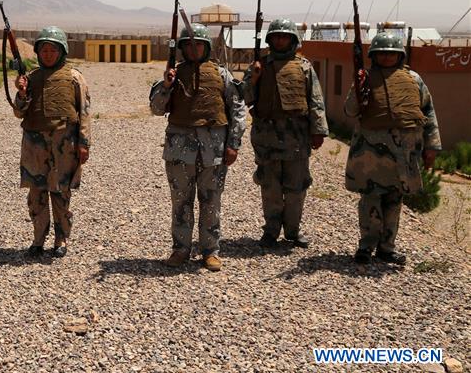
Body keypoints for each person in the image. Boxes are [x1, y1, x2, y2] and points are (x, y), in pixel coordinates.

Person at [149, 24, 246, 271]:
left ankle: (210, 251)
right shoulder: (172, 76)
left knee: (211, 202)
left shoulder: (221, 75)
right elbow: (157, 109)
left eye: (199, 45)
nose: (194, 50)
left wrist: (233, 144)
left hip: (214, 151)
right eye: (189, 45)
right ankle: (180, 249)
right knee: (181, 203)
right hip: (179, 151)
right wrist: (167, 86)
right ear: (182, 48)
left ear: (207, 47)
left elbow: (237, 110)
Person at [344, 31, 441, 265]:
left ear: (400, 55)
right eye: (382, 53)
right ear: (373, 55)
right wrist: (359, 91)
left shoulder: (414, 80)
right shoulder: (364, 78)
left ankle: (387, 248)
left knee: (394, 201)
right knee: (370, 200)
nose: (387, 58)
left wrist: (432, 146)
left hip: (403, 152)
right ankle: (366, 246)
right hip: (370, 152)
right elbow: (350, 110)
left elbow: (428, 112)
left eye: (391, 53)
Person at [243, 19, 328, 248]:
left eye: (285, 37)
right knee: (270, 186)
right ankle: (271, 231)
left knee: (296, 187)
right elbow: (244, 97)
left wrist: (318, 130)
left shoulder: (304, 67)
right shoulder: (258, 66)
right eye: (276, 36)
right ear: (270, 39)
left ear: (293, 40)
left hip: (296, 137)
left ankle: (292, 231)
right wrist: (255, 78)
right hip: (266, 137)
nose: (280, 40)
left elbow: (315, 101)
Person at [13, 26, 91, 258]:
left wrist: (84, 143)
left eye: (52, 50)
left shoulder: (74, 77)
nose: (47, 54)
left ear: (62, 52)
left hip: (63, 145)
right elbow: (19, 112)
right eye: (44, 50)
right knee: (36, 195)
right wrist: (22, 93)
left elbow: (85, 113)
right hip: (34, 146)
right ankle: (38, 239)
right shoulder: (31, 79)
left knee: (60, 193)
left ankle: (61, 238)